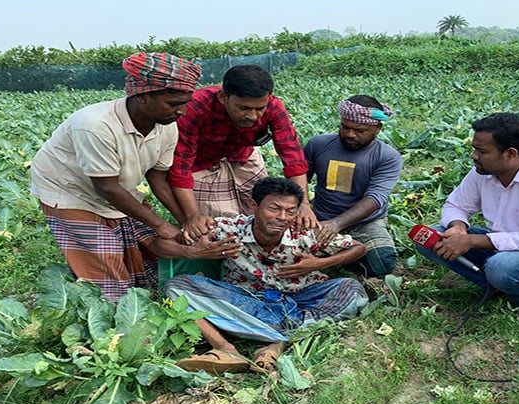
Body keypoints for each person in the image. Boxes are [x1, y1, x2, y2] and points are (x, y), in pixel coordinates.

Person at [30, 52, 238, 302]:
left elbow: (158, 176)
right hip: (70, 192)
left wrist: (187, 222)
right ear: (142, 97)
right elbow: (106, 188)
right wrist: (161, 224)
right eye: (173, 104)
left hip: (117, 188)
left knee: (151, 256)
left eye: (185, 102)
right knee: (111, 282)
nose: (182, 111)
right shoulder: (96, 125)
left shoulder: (166, 125)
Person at [165, 177, 369, 374]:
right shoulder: (228, 230)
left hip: (303, 298)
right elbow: (161, 244)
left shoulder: (307, 233)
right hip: (249, 300)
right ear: (253, 206)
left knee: (350, 288)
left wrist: (318, 264)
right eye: (274, 208)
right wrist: (193, 252)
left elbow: (359, 248)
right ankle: (226, 349)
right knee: (176, 287)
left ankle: (275, 344)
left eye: (290, 211)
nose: (282, 217)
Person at [415, 112, 519, 318]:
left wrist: (470, 241)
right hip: (501, 246)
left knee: (501, 267)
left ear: (510, 154)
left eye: (481, 151)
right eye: (474, 149)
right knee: (430, 237)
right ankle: (496, 285)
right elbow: (456, 204)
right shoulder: (483, 172)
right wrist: (458, 227)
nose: (473, 156)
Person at [168, 64, 317, 243]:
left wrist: (304, 205)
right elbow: (181, 167)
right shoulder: (195, 108)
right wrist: (192, 215)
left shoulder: (273, 106)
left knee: (264, 212)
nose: (253, 116)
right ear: (224, 97)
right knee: (219, 227)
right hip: (201, 164)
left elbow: (292, 156)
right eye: (244, 108)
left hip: (242, 155)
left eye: (259, 109)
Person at [304, 95, 403, 277]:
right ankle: (341, 254)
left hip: (365, 222)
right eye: (345, 127)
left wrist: (336, 224)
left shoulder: (387, 157)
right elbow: (299, 178)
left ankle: (337, 255)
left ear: (377, 128)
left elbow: (375, 198)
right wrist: (303, 209)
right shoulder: (318, 145)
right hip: (320, 218)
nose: (350, 134)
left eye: (359, 130)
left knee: (383, 262)